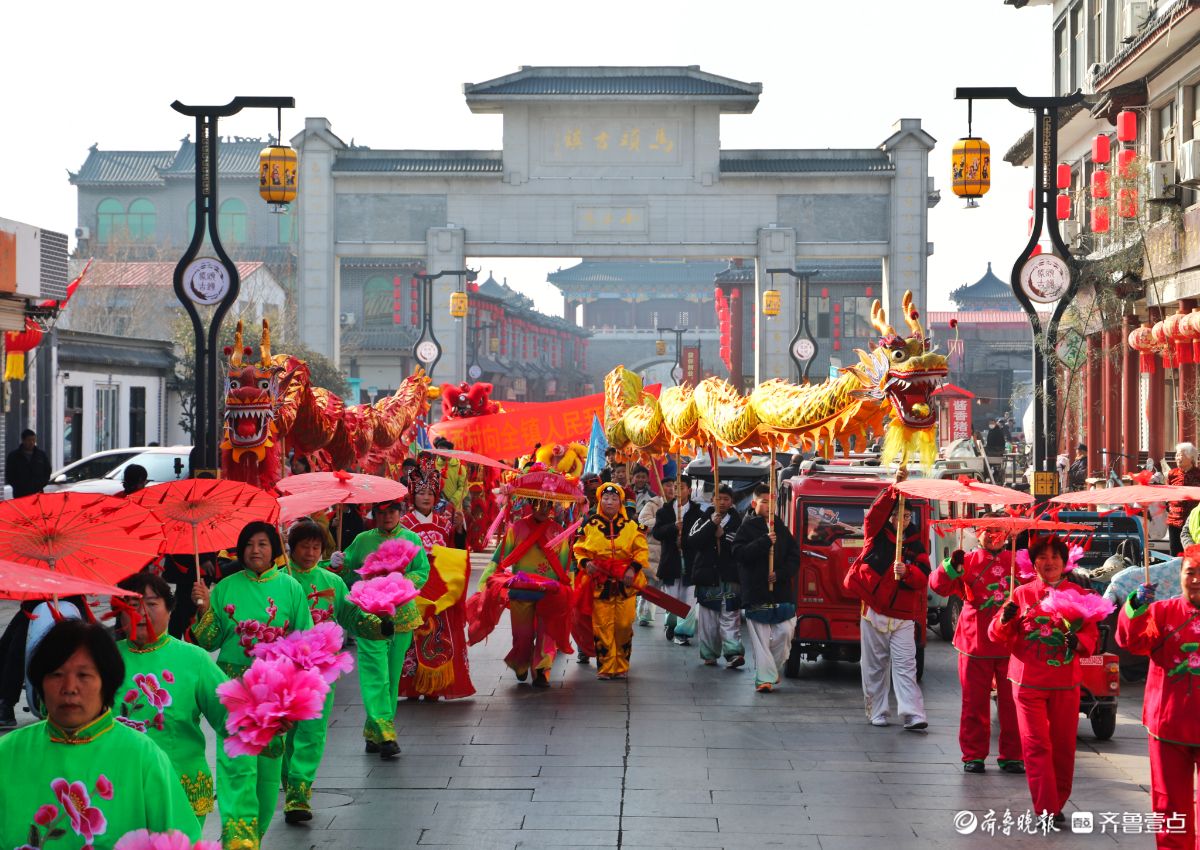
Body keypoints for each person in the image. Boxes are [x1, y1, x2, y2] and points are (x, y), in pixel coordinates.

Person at [0, 620, 199, 849]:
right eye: (56, 674)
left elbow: (181, 840)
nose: (69, 687)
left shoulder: (143, 757)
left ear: (107, 682)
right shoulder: (7, 754)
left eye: (83, 675)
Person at [190, 521, 314, 846]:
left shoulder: (291, 588)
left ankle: (252, 838)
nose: (255, 550)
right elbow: (206, 641)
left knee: (267, 778)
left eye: (262, 544)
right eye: (248, 545)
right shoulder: (226, 588)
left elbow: (306, 642)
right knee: (236, 771)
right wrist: (203, 606)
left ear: (273, 549)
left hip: (275, 694)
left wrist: (297, 696)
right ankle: (238, 842)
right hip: (235, 693)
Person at [112, 571, 251, 836]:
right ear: (119, 614)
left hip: (182, 786)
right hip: (119, 789)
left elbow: (232, 712)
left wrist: (267, 719)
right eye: (131, 606)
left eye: (151, 604)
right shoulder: (101, 661)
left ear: (169, 609)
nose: (141, 612)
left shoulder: (194, 659)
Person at [281, 520, 389, 823]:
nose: (311, 552)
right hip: (285, 669)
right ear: (291, 547)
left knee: (313, 732)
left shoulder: (333, 581)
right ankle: (289, 781)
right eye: (305, 546)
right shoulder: (280, 581)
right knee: (286, 732)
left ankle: (299, 794)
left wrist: (378, 624)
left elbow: (351, 615)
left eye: (316, 547)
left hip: (322, 668)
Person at [989, 535, 1099, 826]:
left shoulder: (1078, 592)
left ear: (1065, 562)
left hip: (1065, 682)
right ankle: (1047, 808)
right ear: (1033, 562)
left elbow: (1091, 637)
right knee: (1036, 744)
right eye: (1042, 557)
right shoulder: (1022, 593)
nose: (1048, 562)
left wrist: (1077, 640)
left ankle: (1058, 798)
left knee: (1063, 746)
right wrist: (1005, 619)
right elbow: (997, 633)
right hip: (1027, 682)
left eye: (1054, 557)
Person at [1117, 545, 1200, 849]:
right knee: (1169, 806)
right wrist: (1136, 605)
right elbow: (1132, 641)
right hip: (1168, 724)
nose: (1196, 579)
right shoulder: (1162, 611)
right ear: (1179, 577)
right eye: (1190, 572)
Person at [929, 516, 1024, 774]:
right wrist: (950, 566)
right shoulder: (966, 562)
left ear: (1008, 534)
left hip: (1010, 645)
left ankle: (1013, 755)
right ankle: (973, 754)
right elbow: (937, 585)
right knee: (974, 702)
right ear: (977, 533)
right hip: (974, 641)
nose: (994, 535)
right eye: (988, 530)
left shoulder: (1018, 561)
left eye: (999, 531)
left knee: (1012, 703)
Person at [339, 499, 429, 758]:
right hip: (370, 617)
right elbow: (346, 572)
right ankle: (386, 733)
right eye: (382, 512)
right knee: (375, 676)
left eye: (392, 511)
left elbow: (422, 570)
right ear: (374, 513)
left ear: (400, 513)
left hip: (402, 616)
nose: (387, 516)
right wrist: (336, 563)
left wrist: (399, 582)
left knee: (390, 677)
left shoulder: (412, 539)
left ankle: (375, 730)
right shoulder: (362, 539)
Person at [475, 474, 578, 687]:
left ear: (552, 506)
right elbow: (499, 559)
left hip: (550, 592)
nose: (542, 508)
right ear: (531, 504)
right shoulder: (517, 529)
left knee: (546, 632)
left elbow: (565, 566)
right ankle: (520, 662)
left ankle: (542, 671)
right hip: (521, 589)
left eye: (547, 504)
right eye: (538, 503)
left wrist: (571, 590)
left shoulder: (558, 532)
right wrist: (485, 581)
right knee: (522, 634)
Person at [846, 470, 929, 730]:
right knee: (874, 666)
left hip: (904, 616)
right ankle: (877, 710)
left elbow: (924, 577)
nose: (902, 520)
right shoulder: (875, 534)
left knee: (906, 666)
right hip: (874, 611)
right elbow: (874, 513)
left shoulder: (917, 544)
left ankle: (913, 713)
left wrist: (908, 572)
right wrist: (895, 487)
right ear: (891, 516)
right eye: (898, 515)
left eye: (906, 516)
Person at [397, 459, 474, 701]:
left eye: (430, 492)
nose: (426, 497)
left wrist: (460, 531)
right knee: (412, 637)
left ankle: (434, 686)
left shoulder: (444, 523)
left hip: (439, 589)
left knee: (439, 636)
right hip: (415, 588)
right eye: (421, 493)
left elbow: (456, 552)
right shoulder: (404, 524)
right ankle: (412, 685)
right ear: (413, 496)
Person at [573, 482, 648, 680]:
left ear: (620, 502)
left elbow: (641, 550)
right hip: (600, 582)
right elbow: (579, 549)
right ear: (599, 501)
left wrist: (633, 569)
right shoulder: (588, 525)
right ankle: (606, 667)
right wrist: (586, 562)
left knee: (624, 625)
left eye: (614, 499)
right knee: (602, 625)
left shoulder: (632, 526)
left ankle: (621, 665)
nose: (609, 502)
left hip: (626, 583)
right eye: (605, 498)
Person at [732, 484, 800, 693]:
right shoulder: (746, 527)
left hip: (780, 591)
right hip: (756, 591)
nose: (769, 505)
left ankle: (772, 668)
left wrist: (779, 574)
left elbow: (794, 556)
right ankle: (764, 677)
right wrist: (763, 542)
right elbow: (738, 553)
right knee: (761, 639)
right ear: (754, 504)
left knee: (785, 632)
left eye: (772, 501)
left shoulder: (780, 526)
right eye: (764, 501)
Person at [687, 484, 745, 669]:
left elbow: (742, 544)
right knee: (708, 617)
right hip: (708, 575)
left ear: (732, 502)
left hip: (730, 576)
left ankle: (733, 653)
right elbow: (692, 540)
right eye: (718, 498)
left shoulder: (740, 522)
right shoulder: (703, 518)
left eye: (726, 499)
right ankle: (709, 653)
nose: (722, 502)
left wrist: (724, 535)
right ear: (712, 499)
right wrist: (712, 525)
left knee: (731, 615)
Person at [653, 474, 704, 644]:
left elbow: (702, 536)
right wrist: (673, 528)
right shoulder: (664, 511)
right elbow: (657, 533)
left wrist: (686, 541)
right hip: (671, 561)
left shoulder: (698, 513)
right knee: (672, 597)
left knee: (689, 598)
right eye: (675, 486)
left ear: (689, 490)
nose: (677, 490)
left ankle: (683, 633)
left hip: (691, 562)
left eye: (681, 487)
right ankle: (671, 624)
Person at [635, 476, 665, 628]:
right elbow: (643, 522)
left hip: (672, 552)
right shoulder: (653, 504)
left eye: (675, 486)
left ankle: (671, 619)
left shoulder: (681, 505)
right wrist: (661, 522)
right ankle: (645, 614)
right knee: (651, 584)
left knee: (668, 588)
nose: (671, 489)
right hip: (654, 550)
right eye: (667, 486)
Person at [1168, 443, 1200, 556]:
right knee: (1175, 554)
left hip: (1192, 520)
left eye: (1180, 455)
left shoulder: (1198, 474)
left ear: (1190, 457)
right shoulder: (1172, 474)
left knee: (1192, 555)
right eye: (1176, 455)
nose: (1177, 458)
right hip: (1174, 520)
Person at [5, 428, 51, 499]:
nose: (32, 442)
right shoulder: (14, 456)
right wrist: (18, 486)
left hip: (37, 493)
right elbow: (9, 474)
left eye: (33, 440)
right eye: (29, 440)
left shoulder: (41, 455)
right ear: (23, 440)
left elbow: (47, 471)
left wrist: (41, 484)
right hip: (20, 494)